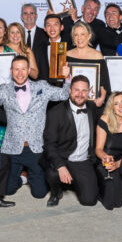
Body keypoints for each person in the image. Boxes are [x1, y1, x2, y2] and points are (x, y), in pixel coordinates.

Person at [0, 55, 70, 203]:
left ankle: (31, 176)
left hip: (36, 147)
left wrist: (67, 79)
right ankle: (22, 178)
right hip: (12, 148)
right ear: (11, 71)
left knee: (39, 193)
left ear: (28, 70)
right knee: (8, 190)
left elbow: (64, 95)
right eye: (16, 69)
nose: (20, 73)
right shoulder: (4, 90)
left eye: (23, 69)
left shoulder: (42, 87)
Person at [43, 76, 100, 207]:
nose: (80, 94)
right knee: (52, 173)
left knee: (89, 200)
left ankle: (76, 183)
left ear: (89, 92)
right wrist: (60, 166)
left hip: (83, 160)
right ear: (69, 90)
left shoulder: (92, 108)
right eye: (76, 90)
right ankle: (56, 192)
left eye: (84, 91)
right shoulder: (55, 112)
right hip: (64, 158)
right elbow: (49, 144)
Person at [95, 91, 122, 210]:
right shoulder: (105, 120)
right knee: (109, 204)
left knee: (118, 202)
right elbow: (98, 149)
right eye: (116, 104)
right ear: (112, 107)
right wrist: (105, 157)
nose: (121, 106)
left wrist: (118, 164)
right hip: (104, 161)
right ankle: (98, 189)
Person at [65, 21, 108, 107]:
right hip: (71, 101)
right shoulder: (67, 55)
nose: (79, 38)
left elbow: (104, 81)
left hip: (93, 103)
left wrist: (102, 98)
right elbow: (63, 82)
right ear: (73, 37)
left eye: (82, 34)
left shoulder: (97, 55)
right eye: (76, 35)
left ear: (89, 36)